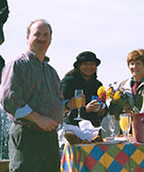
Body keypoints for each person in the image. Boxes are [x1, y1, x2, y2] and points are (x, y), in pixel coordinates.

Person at [0, 19, 79, 172]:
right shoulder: (18, 65)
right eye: (37, 34)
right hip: (26, 136)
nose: (42, 38)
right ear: (28, 37)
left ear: (51, 39)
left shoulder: (52, 72)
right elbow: (8, 99)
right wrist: (38, 118)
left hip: (49, 139)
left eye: (46, 35)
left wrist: (69, 105)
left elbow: (56, 105)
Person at [62, 51, 106, 127]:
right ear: (79, 66)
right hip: (73, 128)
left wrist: (102, 110)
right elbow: (62, 107)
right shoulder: (68, 82)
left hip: (94, 128)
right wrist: (85, 110)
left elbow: (103, 105)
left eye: (92, 64)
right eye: (86, 64)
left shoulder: (98, 84)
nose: (89, 67)